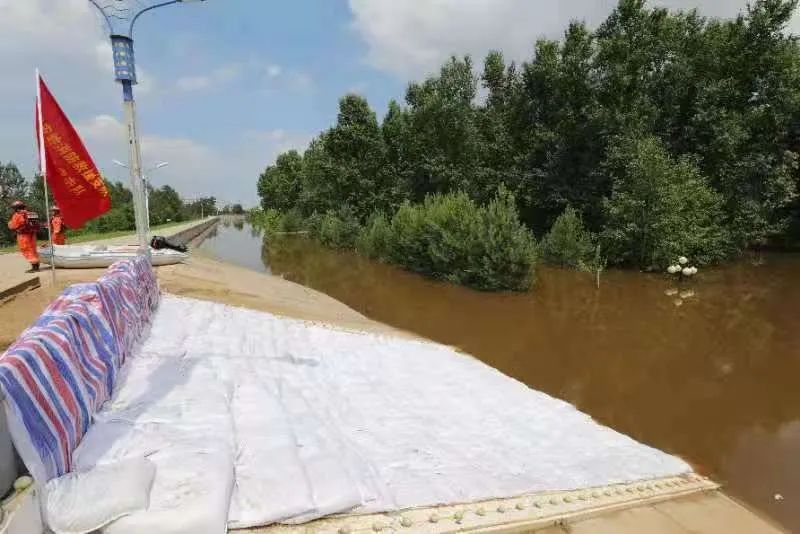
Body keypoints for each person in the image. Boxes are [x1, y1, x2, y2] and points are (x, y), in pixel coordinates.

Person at [7, 200, 40, 272]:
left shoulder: (17, 215)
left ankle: (34, 267)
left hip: (23, 235)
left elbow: (15, 225)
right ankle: (36, 265)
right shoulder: (29, 213)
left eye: (14, 208)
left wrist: (10, 224)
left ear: (16, 208)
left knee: (26, 249)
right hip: (32, 234)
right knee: (32, 249)